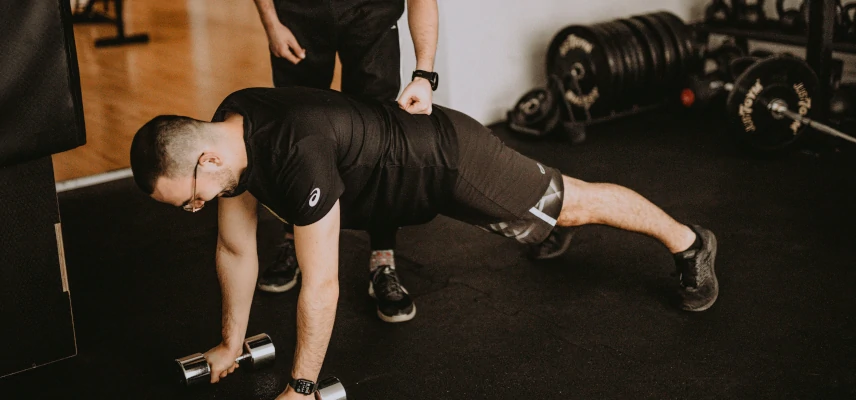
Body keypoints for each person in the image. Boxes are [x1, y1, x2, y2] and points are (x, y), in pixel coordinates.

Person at [129, 86, 719, 399]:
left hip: (446, 162)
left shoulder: (294, 154)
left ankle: (690, 242)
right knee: (541, 216)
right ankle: (534, 229)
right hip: (401, 169)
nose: (197, 207)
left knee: (571, 205)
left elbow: (323, 284)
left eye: (190, 198)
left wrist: (303, 389)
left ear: (205, 159)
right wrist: (230, 345)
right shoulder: (231, 124)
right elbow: (236, 250)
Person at [249, 0, 439, 324]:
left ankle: (383, 257)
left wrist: (424, 73)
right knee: (296, 129)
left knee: (380, 133)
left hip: (372, 13)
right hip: (299, 14)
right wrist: (271, 22)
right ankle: (293, 240)